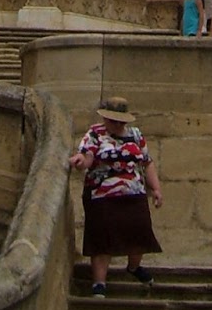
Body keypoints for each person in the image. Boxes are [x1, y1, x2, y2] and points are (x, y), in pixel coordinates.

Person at [68, 96, 162, 298]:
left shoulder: (135, 135)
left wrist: (156, 189)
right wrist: (80, 161)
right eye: (113, 121)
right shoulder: (95, 134)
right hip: (101, 194)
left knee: (140, 230)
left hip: (133, 192)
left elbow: (147, 162)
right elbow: (87, 156)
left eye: (121, 122)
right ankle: (99, 282)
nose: (117, 125)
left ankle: (134, 267)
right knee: (102, 237)